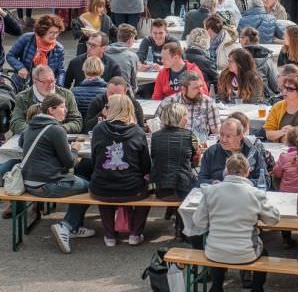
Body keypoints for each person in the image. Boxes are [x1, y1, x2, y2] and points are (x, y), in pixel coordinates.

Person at [193, 153, 280, 292]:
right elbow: (273, 219)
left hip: (214, 251)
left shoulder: (211, 191)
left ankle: (216, 286)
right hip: (246, 252)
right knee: (264, 252)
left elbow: (198, 221)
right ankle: (257, 289)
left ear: (226, 170)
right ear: (247, 172)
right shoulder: (255, 193)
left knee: (219, 246)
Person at [22, 93, 94, 254]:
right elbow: (69, 163)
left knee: (80, 180)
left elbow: (22, 142)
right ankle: (66, 226)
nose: (66, 110)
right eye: (62, 107)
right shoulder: (56, 129)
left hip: (29, 182)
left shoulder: (32, 125)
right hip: (48, 184)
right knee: (90, 187)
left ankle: (75, 226)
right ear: (51, 110)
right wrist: (75, 149)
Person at [90, 94, 151, 247]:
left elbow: (94, 160)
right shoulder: (137, 131)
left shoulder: (98, 130)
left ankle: (110, 235)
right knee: (147, 193)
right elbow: (145, 166)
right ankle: (135, 234)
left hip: (101, 187)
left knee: (103, 186)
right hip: (132, 188)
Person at [151, 102, 198, 236]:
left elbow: (154, 157)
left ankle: (176, 220)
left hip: (161, 189)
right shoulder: (190, 136)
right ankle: (182, 226)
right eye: (186, 115)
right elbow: (194, 160)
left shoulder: (155, 136)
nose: (187, 118)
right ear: (181, 118)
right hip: (184, 189)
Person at [10, 65, 82, 135]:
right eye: (46, 82)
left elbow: (77, 121)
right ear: (35, 81)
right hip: (31, 139)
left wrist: (59, 129)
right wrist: (36, 132)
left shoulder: (67, 95)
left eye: (52, 81)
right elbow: (16, 122)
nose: (50, 85)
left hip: (57, 138)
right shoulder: (23, 97)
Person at [198, 118, 270, 187]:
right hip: (219, 195)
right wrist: (214, 183)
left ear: (240, 136)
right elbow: (200, 180)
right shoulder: (211, 152)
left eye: (228, 136)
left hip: (245, 195)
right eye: (221, 134)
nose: (223, 139)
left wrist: (244, 184)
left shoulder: (252, 152)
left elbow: (265, 182)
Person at [7, 14, 65, 91]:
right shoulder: (27, 38)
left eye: (56, 32)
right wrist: (20, 67)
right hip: (22, 84)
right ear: (42, 31)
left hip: (46, 87)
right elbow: (11, 55)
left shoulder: (59, 48)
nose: (54, 36)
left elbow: (61, 71)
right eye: (51, 32)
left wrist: (59, 86)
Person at [159, 71, 220, 143]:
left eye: (201, 86)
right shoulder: (168, 103)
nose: (200, 90)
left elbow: (216, 133)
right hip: (174, 144)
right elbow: (157, 129)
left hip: (200, 146)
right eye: (196, 88)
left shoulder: (209, 103)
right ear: (184, 89)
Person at [264, 74, 298, 141]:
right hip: (280, 148)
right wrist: (282, 132)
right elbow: (268, 134)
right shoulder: (277, 107)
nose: (284, 91)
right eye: (284, 87)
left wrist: (294, 132)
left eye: (290, 89)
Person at [240, 27, 279, 98]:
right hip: (264, 97)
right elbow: (275, 85)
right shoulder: (268, 56)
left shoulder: (237, 56)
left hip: (241, 96)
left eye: (240, 38)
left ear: (246, 39)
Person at [105, 23, 139, 91]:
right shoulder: (132, 56)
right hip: (124, 93)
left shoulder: (104, 52)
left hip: (106, 91)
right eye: (134, 39)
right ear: (130, 40)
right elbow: (134, 84)